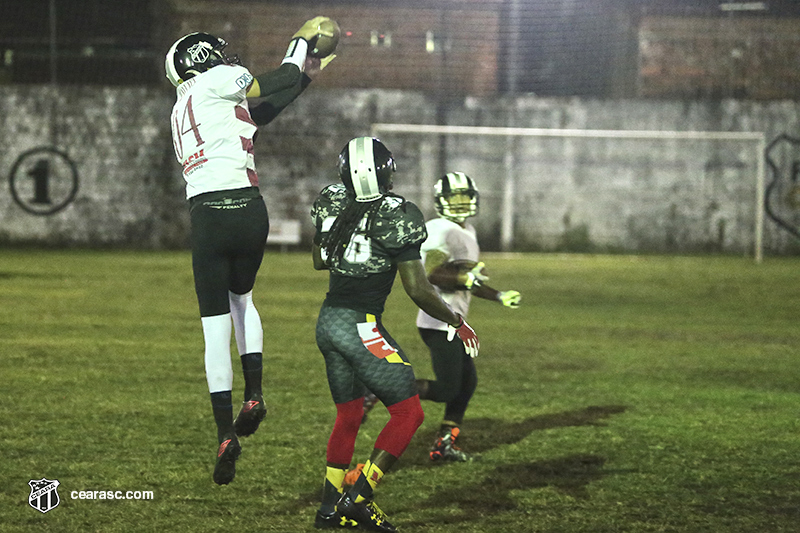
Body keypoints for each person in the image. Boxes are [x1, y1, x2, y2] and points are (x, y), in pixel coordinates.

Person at [165, 17, 335, 485]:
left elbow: (256, 114)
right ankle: (255, 394)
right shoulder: (218, 80)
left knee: (213, 328)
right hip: (248, 209)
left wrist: (303, 75)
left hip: (208, 217)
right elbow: (271, 84)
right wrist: (299, 46)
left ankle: (225, 433)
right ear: (202, 58)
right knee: (244, 300)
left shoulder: (183, 108)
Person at [310, 138, 480, 531]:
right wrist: (457, 320)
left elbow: (320, 259)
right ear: (387, 173)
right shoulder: (397, 214)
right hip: (360, 325)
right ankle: (356, 500)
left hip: (328, 321)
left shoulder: (332, 199)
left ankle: (326, 513)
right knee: (409, 412)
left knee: (349, 415)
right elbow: (419, 289)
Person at [363, 172, 521, 463]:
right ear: (440, 202)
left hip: (453, 320)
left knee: (467, 383)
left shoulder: (467, 231)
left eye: (464, 198)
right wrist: (467, 279)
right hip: (440, 322)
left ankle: (444, 443)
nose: (460, 204)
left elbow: (467, 279)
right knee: (448, 388)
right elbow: (433, 273)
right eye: (453, 198)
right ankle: (380, 387)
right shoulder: (440, 229)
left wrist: (498, 295)